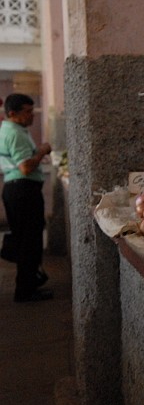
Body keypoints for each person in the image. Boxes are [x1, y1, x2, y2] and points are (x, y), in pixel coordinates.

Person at [0, 93, 53, 302]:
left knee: (25, 239)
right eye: (28, 112)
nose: (32, 116)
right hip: (23, 190)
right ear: (13, 113)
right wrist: (42, 151)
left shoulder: (10, 129)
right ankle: (25, 290)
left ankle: (28, 283)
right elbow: (25, 167)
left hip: (15, 190)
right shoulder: (16, 134)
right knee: (29, 241)